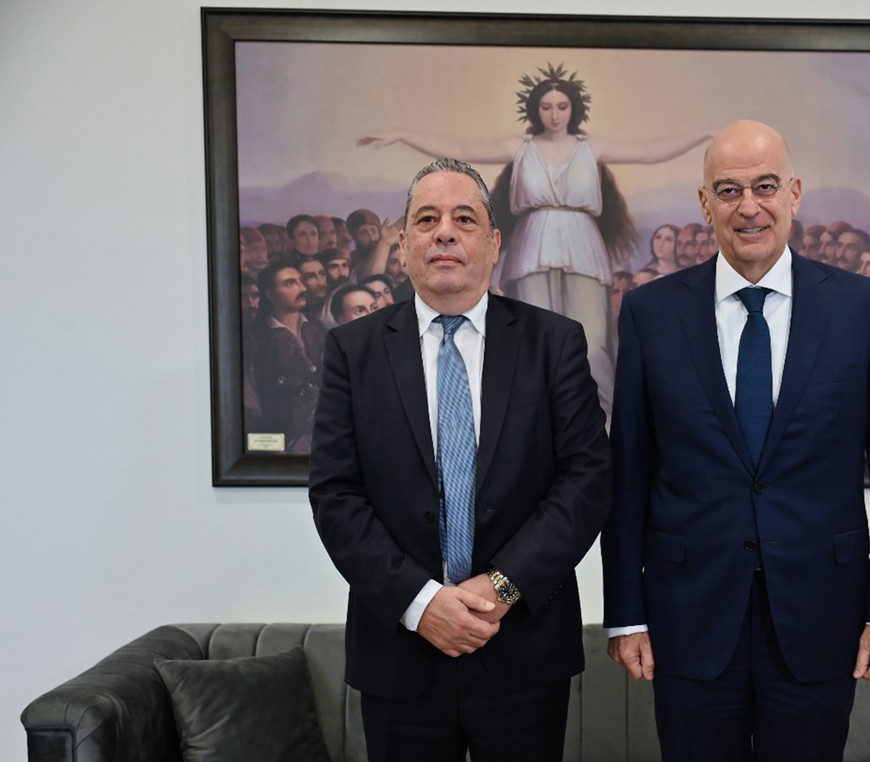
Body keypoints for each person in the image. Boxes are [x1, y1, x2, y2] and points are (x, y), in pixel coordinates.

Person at [601, 120, 870, 762]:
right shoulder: (649, 313)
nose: (749, 206)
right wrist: (626, 613)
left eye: (765, 186)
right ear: (705, 204)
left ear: (794, 193)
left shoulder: (861, 309)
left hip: (821, 615)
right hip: (688, 616)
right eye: (729, 190)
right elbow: (628, 476)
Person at [309, 158, 611, 762]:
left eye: (464, 219)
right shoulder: (352, 350)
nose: (445, 232)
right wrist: (423, 604)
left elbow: (586, 480)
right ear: (403, 244)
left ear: (494, 244)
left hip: (522, 650)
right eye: (427, 219)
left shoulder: (554, 342)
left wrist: (501, 587)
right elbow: (336, 496)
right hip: (400, 654)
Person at [357, 63, 709, 416]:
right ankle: (532, 425)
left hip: (582, 248)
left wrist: (706, 134)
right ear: (535, 109)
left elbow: (649, 151)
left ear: (573, 108)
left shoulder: (590, 147)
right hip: (532, 247)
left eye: (561, 106)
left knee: (593, 344)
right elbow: (460, 148)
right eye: (546, 107)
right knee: (532, 341)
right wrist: (402, 135)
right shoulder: (521, 147)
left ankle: (602, 425)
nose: (554, 115)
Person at [252, 261, 325, 452]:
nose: (302, 288)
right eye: (290, 284)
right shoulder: (258, 337)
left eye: (301, 281)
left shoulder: (316, 329)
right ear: (269, 294)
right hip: (282, 436)